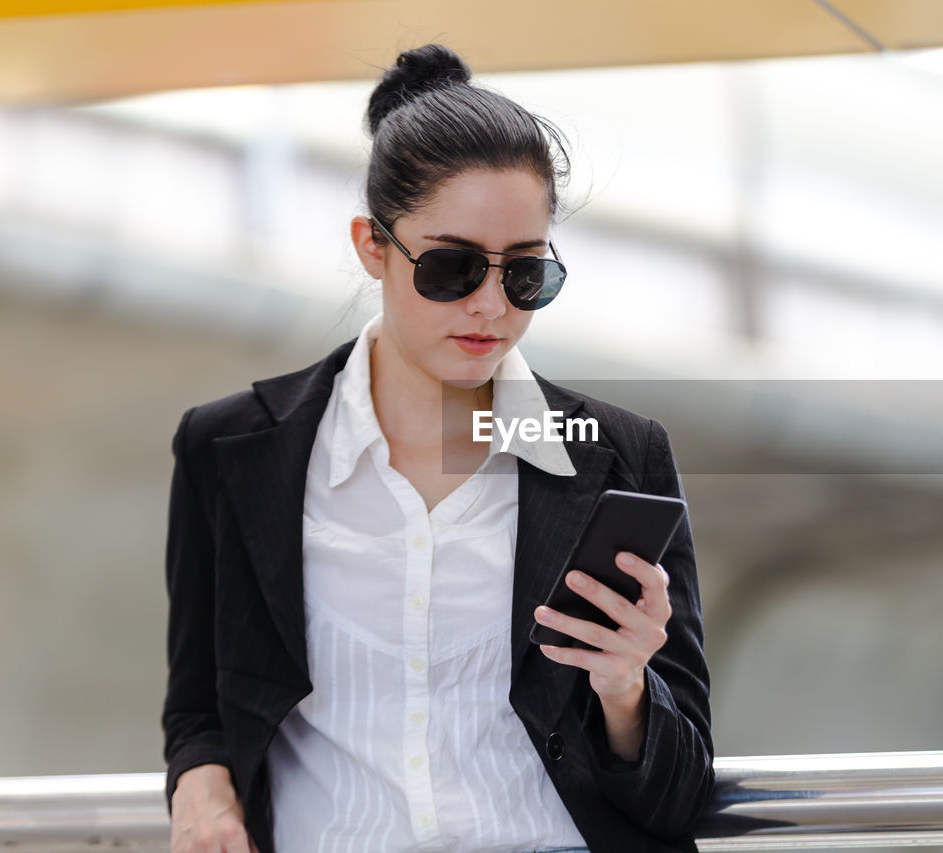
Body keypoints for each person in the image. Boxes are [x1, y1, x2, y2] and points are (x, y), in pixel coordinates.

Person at [161, 43, 714, 853]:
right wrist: (199, 784)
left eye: (526, 274)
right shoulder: (234, 449)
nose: (491, 305)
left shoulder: (617, 455)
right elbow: (199, 706)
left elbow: (682, 790)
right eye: (452, 267)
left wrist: (626, 685)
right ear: (372, 245)